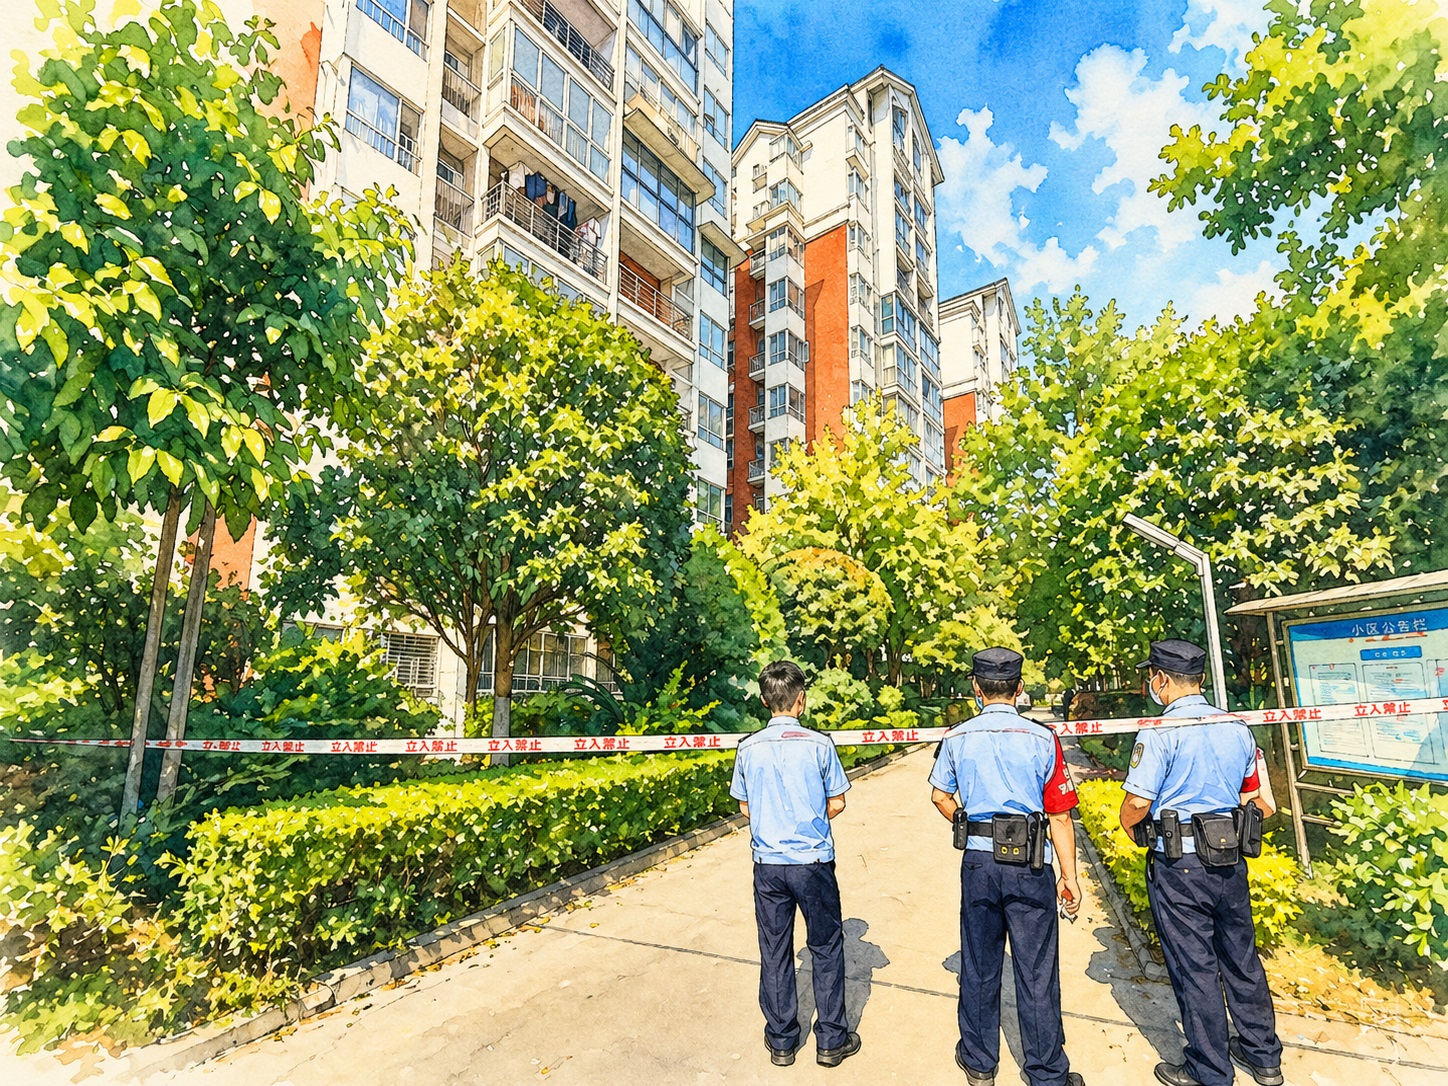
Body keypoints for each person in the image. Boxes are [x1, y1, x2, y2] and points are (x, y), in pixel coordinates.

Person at [1119, 639, 1284, 1086]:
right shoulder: (1238, 728)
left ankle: (1209, 1069)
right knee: (1241, 958)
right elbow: (1259, 800)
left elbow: (1137, 803)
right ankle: (1263, 1056)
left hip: (1180, 868)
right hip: (1229, 861)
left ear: (1162, 680)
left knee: (1195, 967)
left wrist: (1129, 826)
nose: (1149, 683)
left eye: (1150, 675)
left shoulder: (1157, 732)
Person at [929, 647, 1085, 1086]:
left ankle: (979, 1062)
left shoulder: (957, 737)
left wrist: (968, 822)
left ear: (976, 689)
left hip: (979, 862)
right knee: (1036, 967)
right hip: (1031, 865)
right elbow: (1059, 813)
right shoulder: (1043, 738)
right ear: (1019, 689)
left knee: (979, 962)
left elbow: (940, 796)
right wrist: (1069, 877)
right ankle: (1047, 1071)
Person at [730, 660, 861, 1069]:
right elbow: (838, 801)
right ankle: (831, 1042)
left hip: (768, 865)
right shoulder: (820, 745)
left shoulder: (748, 748)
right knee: (825, 947)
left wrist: (775, 821)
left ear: (766, 701)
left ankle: (783, 1041)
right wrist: (809, 817)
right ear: (800, 700)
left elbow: (744, 806)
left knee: (774, 950)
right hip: (813, 863)